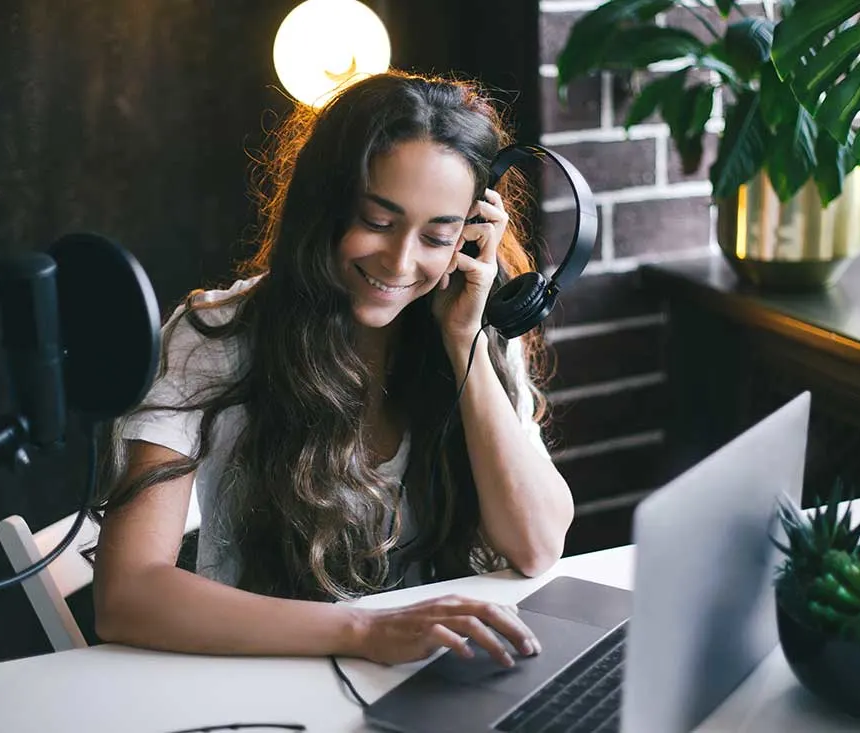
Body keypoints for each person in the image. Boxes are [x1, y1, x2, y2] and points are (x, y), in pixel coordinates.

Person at [92, 70, 575, 670]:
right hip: (275, 675)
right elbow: (127, 594)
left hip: (437, 673)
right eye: (377, 221)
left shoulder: (473, 321)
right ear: (327, 205)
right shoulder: (215, 338)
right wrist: (364, 631)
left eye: (437, 235)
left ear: (471, 238)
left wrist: (463, 342)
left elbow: (535, 546)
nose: (401, 262)